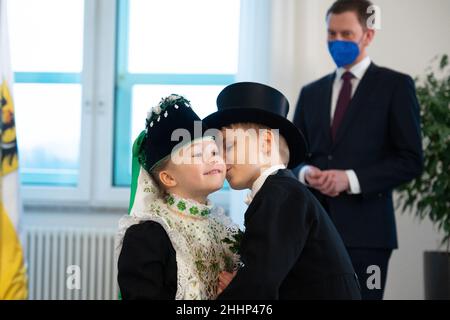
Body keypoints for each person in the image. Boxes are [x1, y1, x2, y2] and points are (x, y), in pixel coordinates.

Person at [292, 0, 423, 299]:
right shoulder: (311, 93)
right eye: (331, 34)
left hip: (368, 237)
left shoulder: (396, 86)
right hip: (311, 232)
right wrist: (305, 172)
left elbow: (411, 160)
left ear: (368, 35)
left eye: (346, 34)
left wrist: (350, 179)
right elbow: (291, 156)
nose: (337, 42)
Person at [203, 82, 361, 299]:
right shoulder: (284, 191)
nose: (221, 160)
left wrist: (237, 289)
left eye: (229, 146)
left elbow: (257, 288)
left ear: (266, 143)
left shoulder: (279, 195)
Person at [116, 94, 239, 300]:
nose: (213, 159)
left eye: (214, 152)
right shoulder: (147, 236)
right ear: (168, 177)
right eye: (198, 155)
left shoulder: (223, 228)